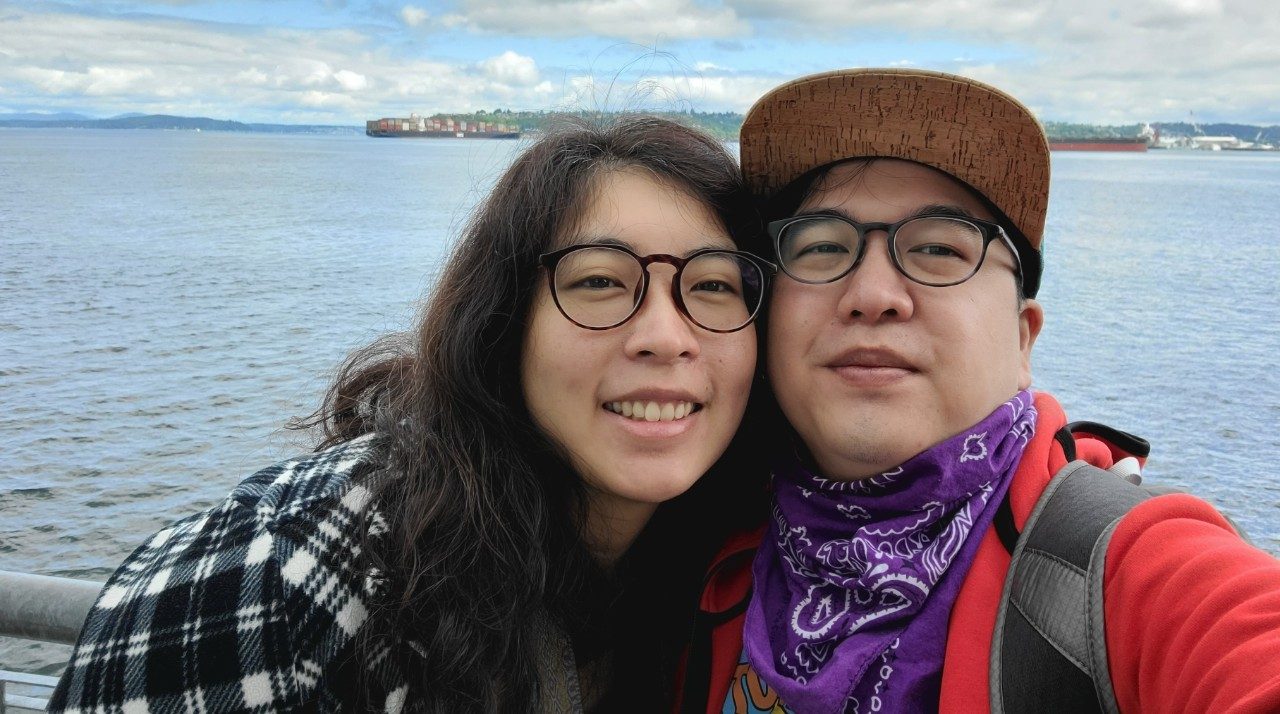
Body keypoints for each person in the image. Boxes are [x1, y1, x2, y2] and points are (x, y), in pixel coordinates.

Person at [49, 115, 774, 713]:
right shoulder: (289, 580)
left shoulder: (732, 575)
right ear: (501, 324)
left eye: (712, 285)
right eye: (598, 281)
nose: (664, 336)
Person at [682, 69, 1280, 713]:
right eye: (823, 247)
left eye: (939, 248)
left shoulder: (1121, 573)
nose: (873, 296)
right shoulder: (694, 534)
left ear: (1023, 340)